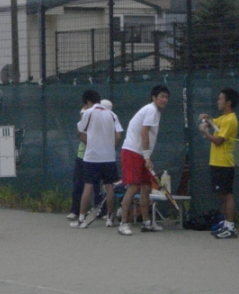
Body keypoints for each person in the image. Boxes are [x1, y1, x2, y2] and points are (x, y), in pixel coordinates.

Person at [118, 85, 170, 236]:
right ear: (154, 98)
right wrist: (147, 156)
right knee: (133, 186)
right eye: (162, 96)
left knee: (146, 186)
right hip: (132, 152)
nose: (164, 100)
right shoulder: (151, 110)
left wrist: (145, 156)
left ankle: (147, 223)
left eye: (167, 97)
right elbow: (144, 133)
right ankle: (123, 224)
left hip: (141, 154)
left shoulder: (154, 112)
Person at [71, 90, 123, 228]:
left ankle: (81, 219)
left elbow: (79, 131)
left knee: (88, 186)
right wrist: (110, 149)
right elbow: (118, 136)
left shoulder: (88, 113)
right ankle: (109, 219)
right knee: (109, 187)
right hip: (109, 158)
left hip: (92, 158)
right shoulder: (112, 114)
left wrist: (92, 144)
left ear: (88, 101)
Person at [198, 87, 239, 239]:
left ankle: (230, 227)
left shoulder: (230, 119)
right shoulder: (223, 118)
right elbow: (214, 123)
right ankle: (226, 224)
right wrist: (208, 119)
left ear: (228, 103)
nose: (218, 101)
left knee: (227, 195)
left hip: (225, 163)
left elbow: (218, 140)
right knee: (223, 195)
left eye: (221, 98)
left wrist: (204, 132)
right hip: (217, 162)